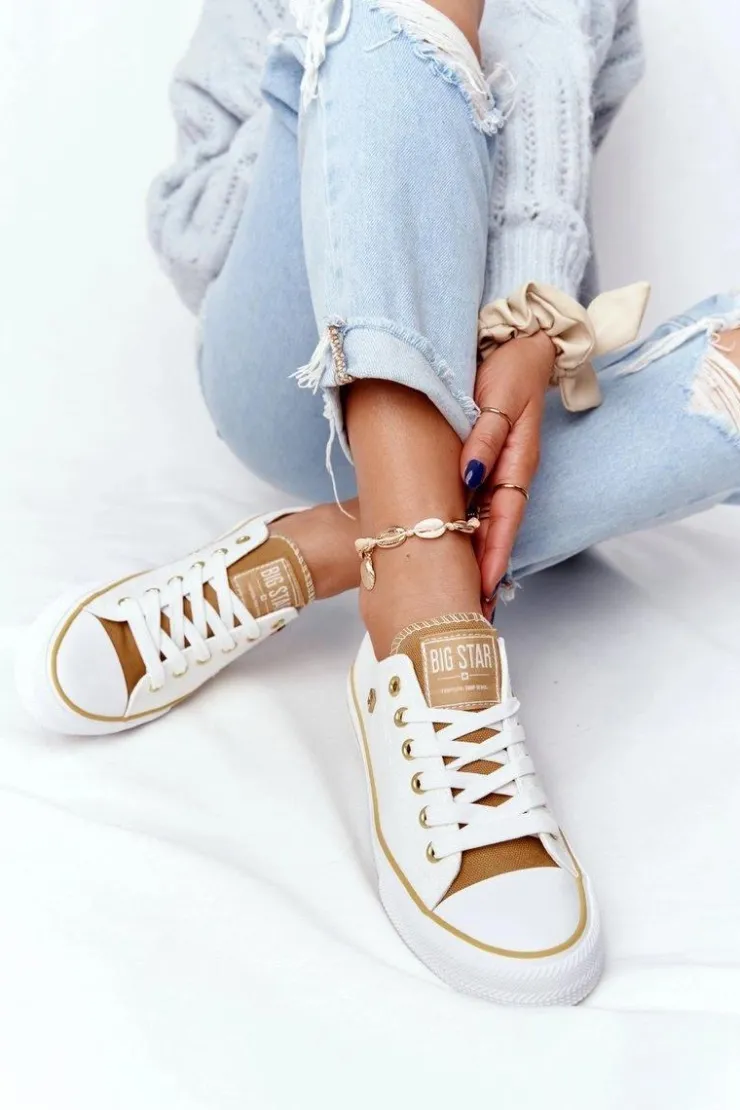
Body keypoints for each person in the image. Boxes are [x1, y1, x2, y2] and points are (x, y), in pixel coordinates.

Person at [16, 0, 740, 1006]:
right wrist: (353, 115)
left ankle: (334, 547)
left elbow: (553, 201)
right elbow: (192, 226)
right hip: (303, 366)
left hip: (507, 411)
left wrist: (527, 318)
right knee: (401, 12)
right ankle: (426, 617)